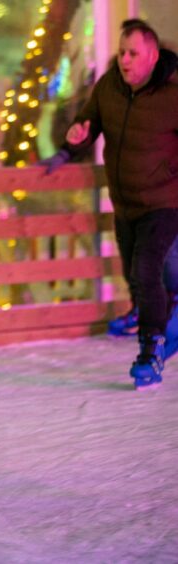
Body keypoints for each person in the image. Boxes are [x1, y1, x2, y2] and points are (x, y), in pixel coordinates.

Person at [41, 19, 178, 390]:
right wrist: (68, 149)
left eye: (133, 53)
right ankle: (157, 318)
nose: (125, 60)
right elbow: (89, 124)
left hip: (165, 201)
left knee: (146, 269)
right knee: (135, 272)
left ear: (152, 55)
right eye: (122, 52)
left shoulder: (172, 91)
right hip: (125, 202)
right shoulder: (109, 87)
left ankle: (151, 348)